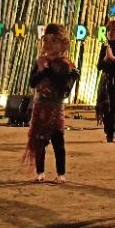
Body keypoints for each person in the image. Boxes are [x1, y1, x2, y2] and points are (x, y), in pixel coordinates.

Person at [23, 23, 79, 184]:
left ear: (63, 44)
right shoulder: (40, 61)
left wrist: (46, 69)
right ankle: (40, 172)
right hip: (40, 106)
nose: (48, 44)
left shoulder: (66, 65)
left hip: (55, 108)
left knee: (57, 141)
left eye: (53, 41)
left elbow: (63, 87)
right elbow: (32, 83)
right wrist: (41, 69)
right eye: (46, 40)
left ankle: (61, 174)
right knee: (39, 141)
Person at [96, 20, 115, 143]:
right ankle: (109, 133)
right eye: (109, 30)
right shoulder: (105, 47)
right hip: (106, 80)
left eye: (114, 31)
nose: (111, 33)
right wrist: (105, 58)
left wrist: (112, 58)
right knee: (106, 107)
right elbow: (99, 66)